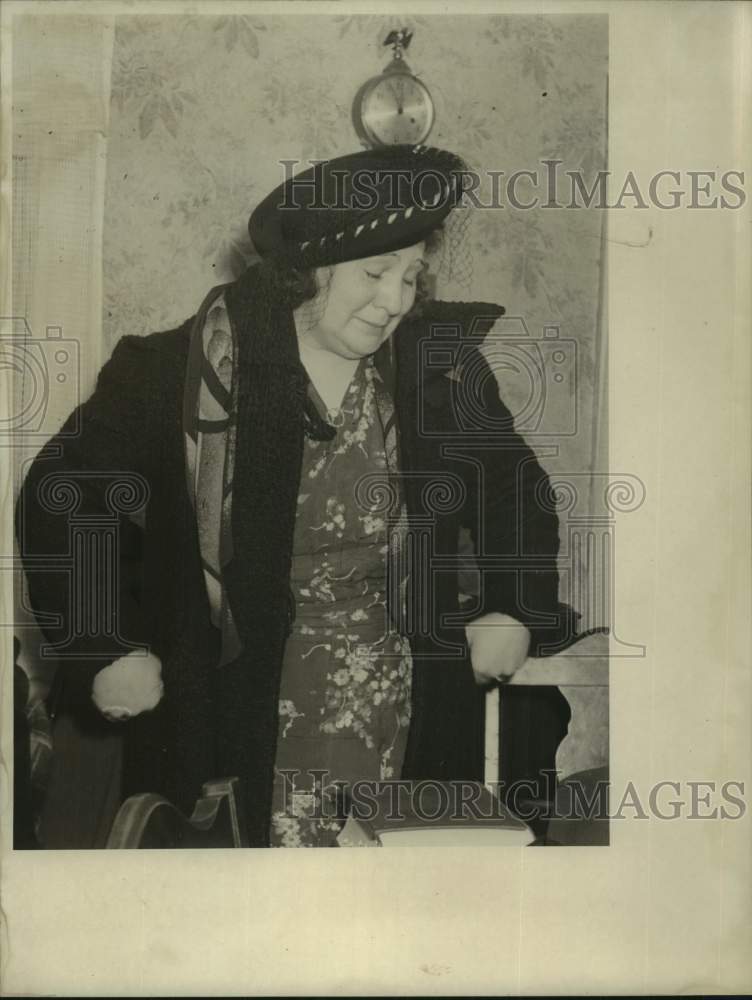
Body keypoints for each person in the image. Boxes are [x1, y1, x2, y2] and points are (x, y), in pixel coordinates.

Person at [16, 144, 575, 847]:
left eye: (411, 276)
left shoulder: (440, 367)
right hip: (231, 717)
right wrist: (103, 644)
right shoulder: (177, 371)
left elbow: (516, 490)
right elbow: (64, 495)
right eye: (375, 274)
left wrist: (513, 604)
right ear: (308, 272)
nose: (396, 302)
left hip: (401, 710)